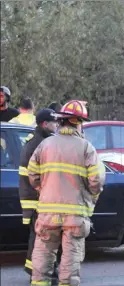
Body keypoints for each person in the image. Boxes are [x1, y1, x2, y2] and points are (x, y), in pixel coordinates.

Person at [27, 100, 106, 286]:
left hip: (47, 213)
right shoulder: (86, 148)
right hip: (75, 215)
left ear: (61, 121)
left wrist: (44, 190)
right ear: (79, 123)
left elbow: (32, 174)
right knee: (70, 260)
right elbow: (97, 181)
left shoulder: (45, 145)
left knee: (43, 255)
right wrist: (90, 199)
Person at [18, 108, 60, 284]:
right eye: (53, 122)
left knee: (37, 238)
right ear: (44, 124)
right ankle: (39, 272)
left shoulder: (36, 140)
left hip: (34, 198)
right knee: (41, 239)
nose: (56, 125)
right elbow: (41, 175)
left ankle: (36, 269)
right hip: (37, 200)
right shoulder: (40, 144)